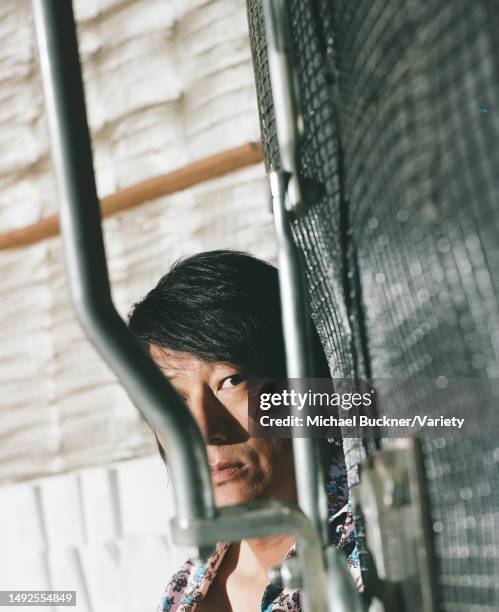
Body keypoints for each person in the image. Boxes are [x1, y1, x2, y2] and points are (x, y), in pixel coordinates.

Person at [128, 250, 361, 611]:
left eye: (231, 381)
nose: (204, 430)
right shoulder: (184, 589)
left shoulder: (380, 551)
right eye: (174, 399)